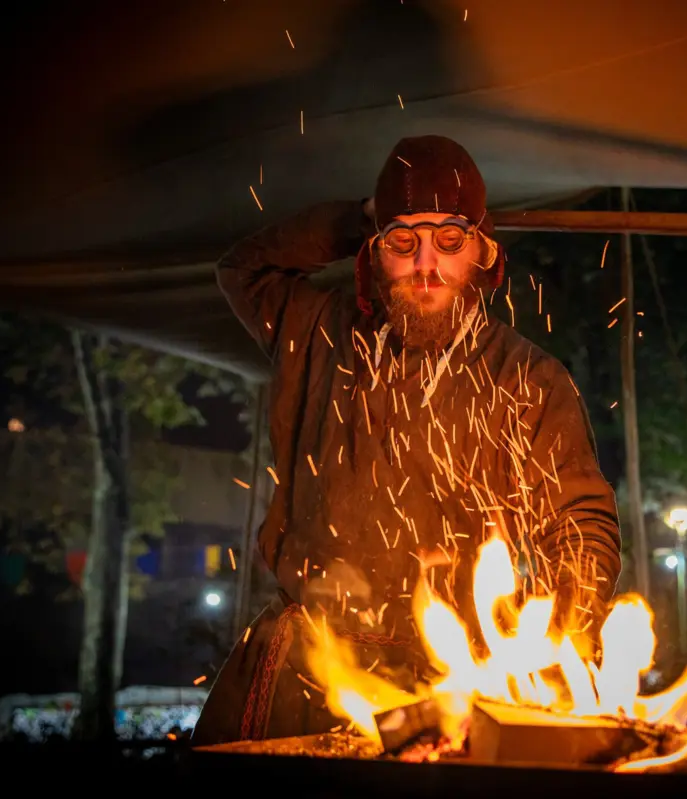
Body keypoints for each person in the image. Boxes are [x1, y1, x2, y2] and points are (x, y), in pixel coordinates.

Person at [193, 135, 620, 745]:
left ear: (482, 251)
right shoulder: (316, 333)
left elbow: (580, 524)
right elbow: (243, 269)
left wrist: (560, 638)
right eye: (402, 242)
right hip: (304, 672)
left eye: (449, 240)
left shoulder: (528, 379)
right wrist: (361, 218)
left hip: (451, 678)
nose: (425, 263)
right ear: (373, 253)